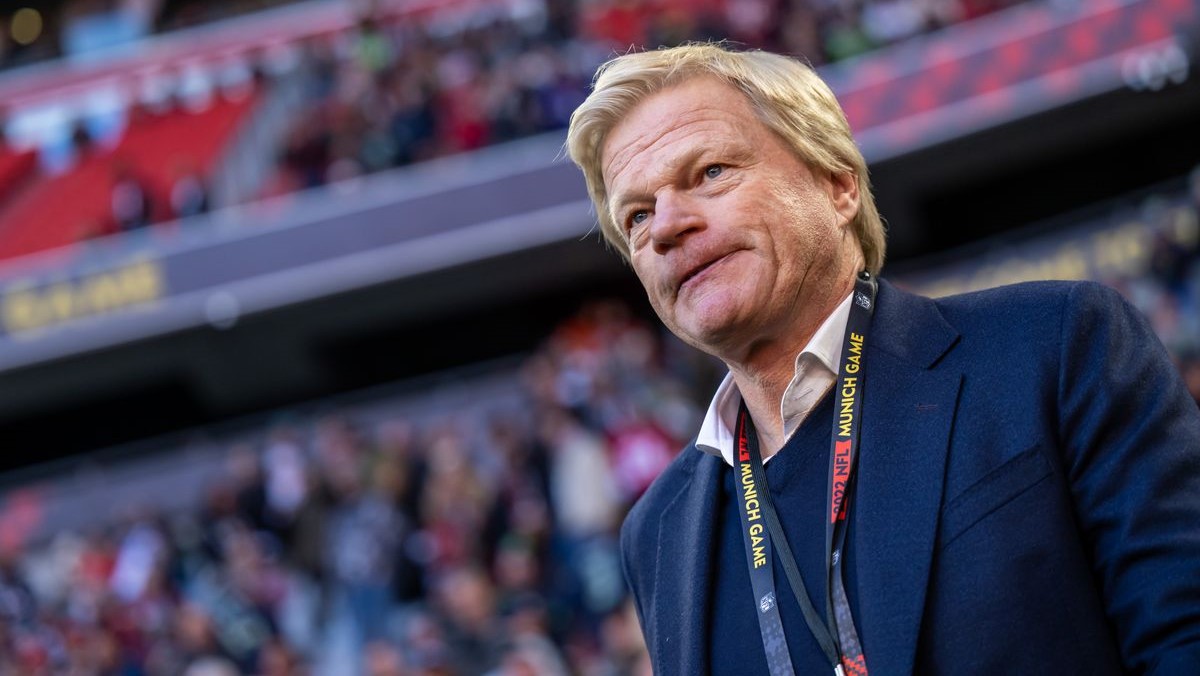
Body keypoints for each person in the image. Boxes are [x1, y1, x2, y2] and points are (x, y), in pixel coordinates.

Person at [565, 43, 1200, 675]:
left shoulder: (1056, 347)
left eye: (710, 173)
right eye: (637, 216)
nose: (666, 227)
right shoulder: (658, 534)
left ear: (838, 185)